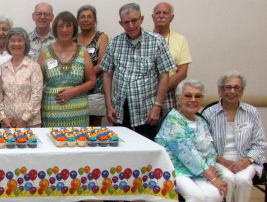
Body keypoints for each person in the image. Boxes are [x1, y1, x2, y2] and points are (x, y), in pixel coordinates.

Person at [101, 3, 174, 140]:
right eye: (126, 22)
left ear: (141, 19)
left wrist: (157, 106)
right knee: (122, 148)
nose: (131, 26)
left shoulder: (156, 41)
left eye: (134, 20)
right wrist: (109, 105)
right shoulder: (115, 42)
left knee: (147, 151)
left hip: (147, 109)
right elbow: (107, 74)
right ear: (121, 23)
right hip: (120, 109)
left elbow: (164, 75)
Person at [155, 79, 226, 202]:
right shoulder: (173, 120)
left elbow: (210, 148)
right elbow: (187, 153)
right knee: (196, 197)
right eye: (188, 96)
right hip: (175, 169)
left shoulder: (201, 121)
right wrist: (212, 177)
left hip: (200, 171)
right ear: (178, 99)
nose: (193, 100)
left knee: (216, 195)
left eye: (197, 96)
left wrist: (210, 165)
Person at [202, 71, 267, 202]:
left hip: (246, 160)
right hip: (218, 160)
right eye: (228, 87)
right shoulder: (209, 113)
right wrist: (221, 160)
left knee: (243, 179)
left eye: (236, 87)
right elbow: (204, 144)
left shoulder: (251, 112)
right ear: (220, 90)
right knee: (228, 178)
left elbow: (260, 143)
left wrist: (247, 160)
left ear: (242, 92)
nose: (232, 91)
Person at [37, 11, 96, 127]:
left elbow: (92, 81)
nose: (65, 30)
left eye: (68, 26)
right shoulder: (45, 51)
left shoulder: (82, 51)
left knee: (79, 142)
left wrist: (73, 91)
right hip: (52, 112)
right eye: (61, 26)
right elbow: (37, 83)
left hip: (78, 111)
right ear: (55, 29)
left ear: (74, 28)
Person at [0, 28, 43, 128]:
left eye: (20, 40)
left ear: (26, 44)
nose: (16, 44)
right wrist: (3, 118)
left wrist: (24, 120)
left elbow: (36, 96)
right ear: (8, 44)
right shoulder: (2, 68)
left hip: (31, 123)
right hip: (8, 124)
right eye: (12, 41)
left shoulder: (34, 67)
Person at [152, 2, 193, 115]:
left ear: (172, 17)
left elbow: (182, 72)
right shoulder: (146, 39)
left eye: (165, 13)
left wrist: (161, 91)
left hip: (170, 92)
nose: (161, 15)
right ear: (153, 17)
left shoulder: (180, 39)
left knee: (168, 127)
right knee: (147, 131)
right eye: (158, 13)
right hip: (146, 93)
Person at [74, 5, 109, 126]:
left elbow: (102, 65)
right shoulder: (73, 38)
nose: (86, 20)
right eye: (82, 17)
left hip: (95, 91)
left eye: (89, 17)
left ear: (95, 20)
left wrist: (82, 77)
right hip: (75, 90)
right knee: (77, 127)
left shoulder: (102, 37)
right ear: (77, 20)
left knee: (93, 129)